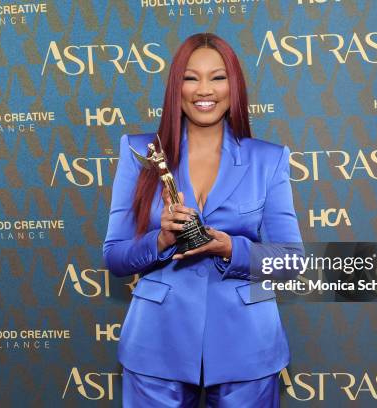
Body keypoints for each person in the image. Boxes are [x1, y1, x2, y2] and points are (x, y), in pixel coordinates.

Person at [103, 32, 303, 407]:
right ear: (175, 86)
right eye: (191, 77)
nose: (203, 89)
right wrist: (161, 240)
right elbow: (115, 257)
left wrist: (231, 248)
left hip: (247, 347)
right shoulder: (140, 152)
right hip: (156, 346)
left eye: (218, 76)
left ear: (235, 86)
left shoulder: (269, 159)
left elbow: (292, 261)